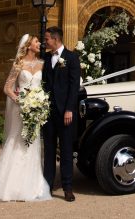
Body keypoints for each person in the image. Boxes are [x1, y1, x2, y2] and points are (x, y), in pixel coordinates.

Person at [0, 34, 53, 203]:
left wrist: (40, 102)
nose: (39, 43)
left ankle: (31, 185)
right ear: (28, 45)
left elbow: (45, 86)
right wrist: (20, 101)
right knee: (17, 141)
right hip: (21, 110)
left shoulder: (42, 64)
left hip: (36, 110)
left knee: (32, 144)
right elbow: (7, 88)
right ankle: (7, 185)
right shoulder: (18, 64)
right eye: (36, 41)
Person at [42, 25, 80, 202]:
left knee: (66, 151)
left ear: (55, 39)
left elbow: (74, 87)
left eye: (47, 39)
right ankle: (47, 186)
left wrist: (69, 109)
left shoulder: (72, 57)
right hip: (48, 113)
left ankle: (67, 188)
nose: (45, 42)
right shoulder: (45, 58)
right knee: (49, 151)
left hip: (65, 113)